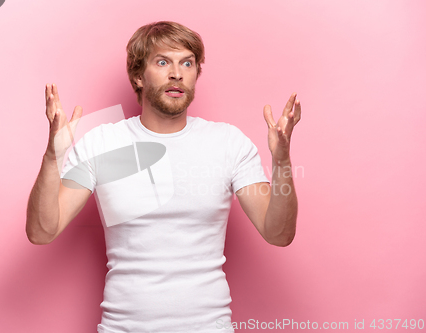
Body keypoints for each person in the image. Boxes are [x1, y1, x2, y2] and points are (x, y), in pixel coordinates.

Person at [26, 21, 301, 333]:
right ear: (137, 76)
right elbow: (42, 231)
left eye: (187, 62)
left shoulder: (228, 142)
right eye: (162, 62)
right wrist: (53, 157)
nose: (177, 74)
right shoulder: (101, 141)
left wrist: (281, 162)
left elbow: (278, 234)